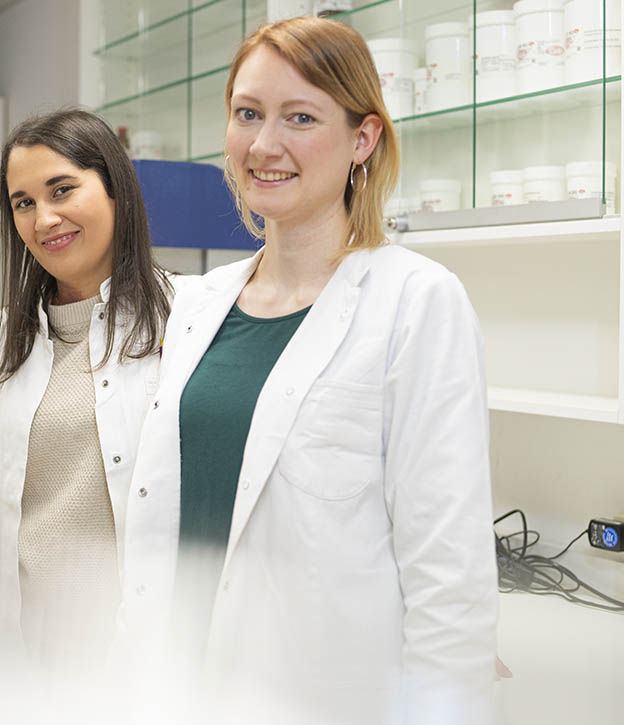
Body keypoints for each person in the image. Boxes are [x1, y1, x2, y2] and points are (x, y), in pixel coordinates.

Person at [118, 18, 498, 725]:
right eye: (247, 114)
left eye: (300, 117)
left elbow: (449, 572)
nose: (265, 145)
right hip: (176, 686)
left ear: (363, 138)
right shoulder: (197, 304)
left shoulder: (416, 302)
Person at [0, 109, 171, 681]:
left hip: (133, 667)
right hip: (21, 664)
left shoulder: (186, 321)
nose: (44, 218)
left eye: (62, 190)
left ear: (115, 189)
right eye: (23, 203)